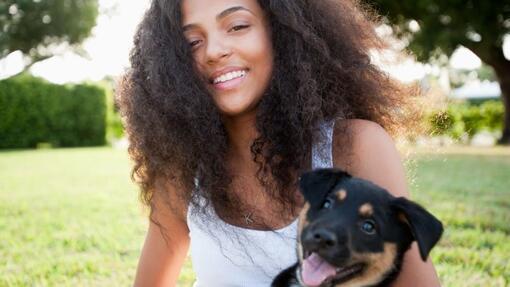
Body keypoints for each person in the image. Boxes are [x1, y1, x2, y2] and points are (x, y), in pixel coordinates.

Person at [118, 0, 441, 286]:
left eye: (238, 26)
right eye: (192, 42)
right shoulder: (182, 172)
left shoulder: (354, 146)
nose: (214, 51)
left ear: (283, 32)